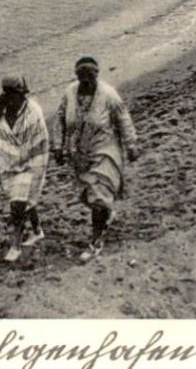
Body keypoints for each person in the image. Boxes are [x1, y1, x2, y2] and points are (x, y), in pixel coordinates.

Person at [57, 56, 140, 260]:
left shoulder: (108, 95)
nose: (85, 80)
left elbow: (123, 119)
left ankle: (96, 241)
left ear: (96, 75)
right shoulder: (69, 93)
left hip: (104, 149)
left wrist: (131, 145)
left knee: (99, 195)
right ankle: (105, 216)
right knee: (86, 194)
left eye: (90, 75)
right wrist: (57, 146)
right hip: (79, 152)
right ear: (76, 76)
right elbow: (59, 118)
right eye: (81, 75)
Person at [0, 75, 49, 263]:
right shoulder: (2, 110)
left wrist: (26, 165)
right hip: (10, 163)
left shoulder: (33, 111)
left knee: (17, 205)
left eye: (15, 93)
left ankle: (15, 246)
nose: (12, 96)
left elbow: (40, 142)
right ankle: (37, 231)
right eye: (8, 93)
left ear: (22, 93)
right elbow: (2, 134)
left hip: (32, 161)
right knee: (25, 199)